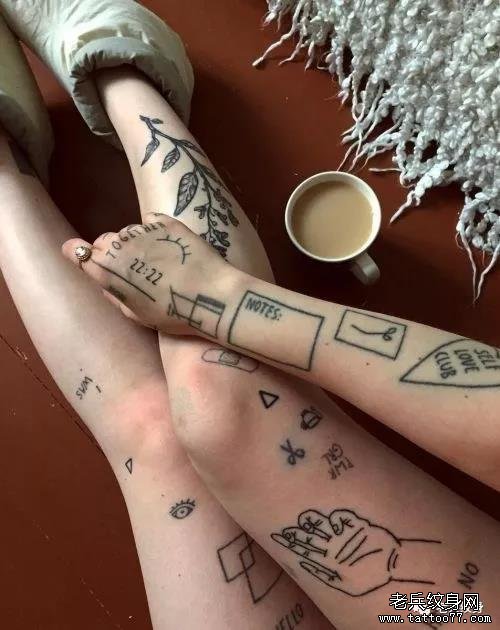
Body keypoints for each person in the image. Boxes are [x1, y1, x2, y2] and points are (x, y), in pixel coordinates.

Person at [1, 3, 498, 629]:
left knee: (157, 438)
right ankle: (122, 74)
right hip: (459, 611)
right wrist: (219, 300)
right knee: (221, 397)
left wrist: (216, 299)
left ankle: (8, 169)